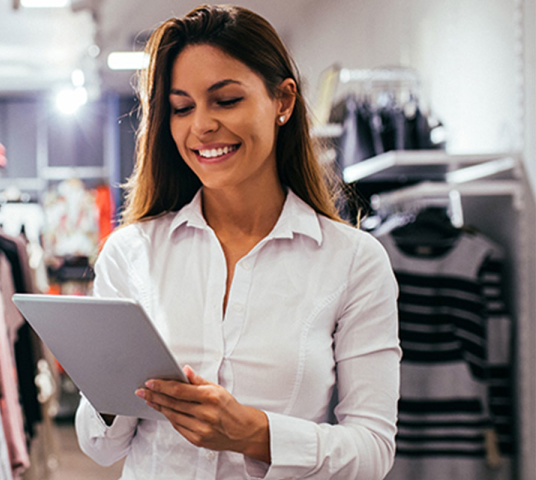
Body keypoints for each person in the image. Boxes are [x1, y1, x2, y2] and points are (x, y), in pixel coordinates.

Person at [75, 4, 401, 479]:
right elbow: (100, 448)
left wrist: (257, 434)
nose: (200, 125)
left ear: (283, 101)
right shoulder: (131, 253)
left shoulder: (353, 261)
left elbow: (373, 450)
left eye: (225, 100)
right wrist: (117, 385)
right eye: (181, 107)